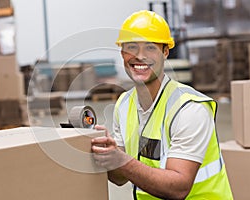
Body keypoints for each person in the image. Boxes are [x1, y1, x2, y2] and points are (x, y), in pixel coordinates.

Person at [91, 10, 233, 200]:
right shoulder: (124, 105)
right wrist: (107, 153)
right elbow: (119, 178)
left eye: (150, 47)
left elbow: (179, 188)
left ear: (165, 51)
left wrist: (121, 160)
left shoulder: (190, 108)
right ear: (122, 53)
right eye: (131, 47)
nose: (139, 56)